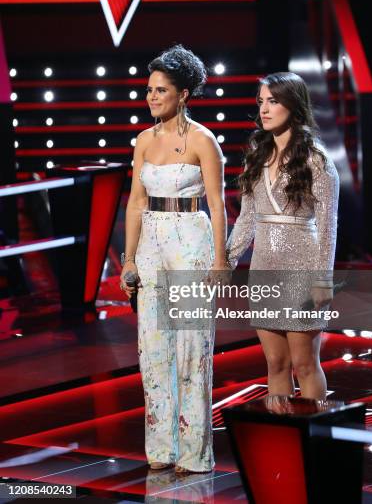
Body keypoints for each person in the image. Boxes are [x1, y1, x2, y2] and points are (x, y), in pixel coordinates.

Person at [120, 44, 229, 474]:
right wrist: (128, 259)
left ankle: (194, 453)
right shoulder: (144, 140)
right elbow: (134, 202)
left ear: (183, 93)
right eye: (148, 90)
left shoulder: (205, 140)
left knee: (190, 349)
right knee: (153, 349)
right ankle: (160, 450)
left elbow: (219, 206)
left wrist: (221, 260)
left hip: (191, 241)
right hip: (151, 243)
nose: (151, 98)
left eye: (160, 90)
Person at [226, 72, 339, 400]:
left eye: (273, 101)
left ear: (293, 105)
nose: (264, 109)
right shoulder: (256, 155)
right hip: (264, 269)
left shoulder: (316, 160)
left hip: (302, 269)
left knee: (304, 364)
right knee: (275, 363)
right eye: (261, 101)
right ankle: (282, 441)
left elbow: (328, 226)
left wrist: (323, 279)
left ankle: (313, 437)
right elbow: (246, 219)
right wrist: (227, 260)